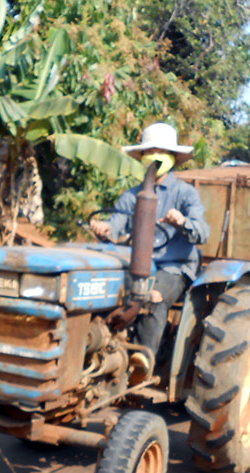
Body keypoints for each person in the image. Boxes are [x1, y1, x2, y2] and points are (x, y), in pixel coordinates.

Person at [91, 123, 210, 369]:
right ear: (143, 157)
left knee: (152, 296)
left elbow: (202, 232)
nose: (154, 156)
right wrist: (105, 229)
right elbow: (116, 227)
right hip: (137, 264)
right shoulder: (130, 196)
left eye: (161, 151)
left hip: (173, 267)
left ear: (173, 157)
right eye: (150, 151)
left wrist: (182, 222)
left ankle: (143, 360)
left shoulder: (186, 194)